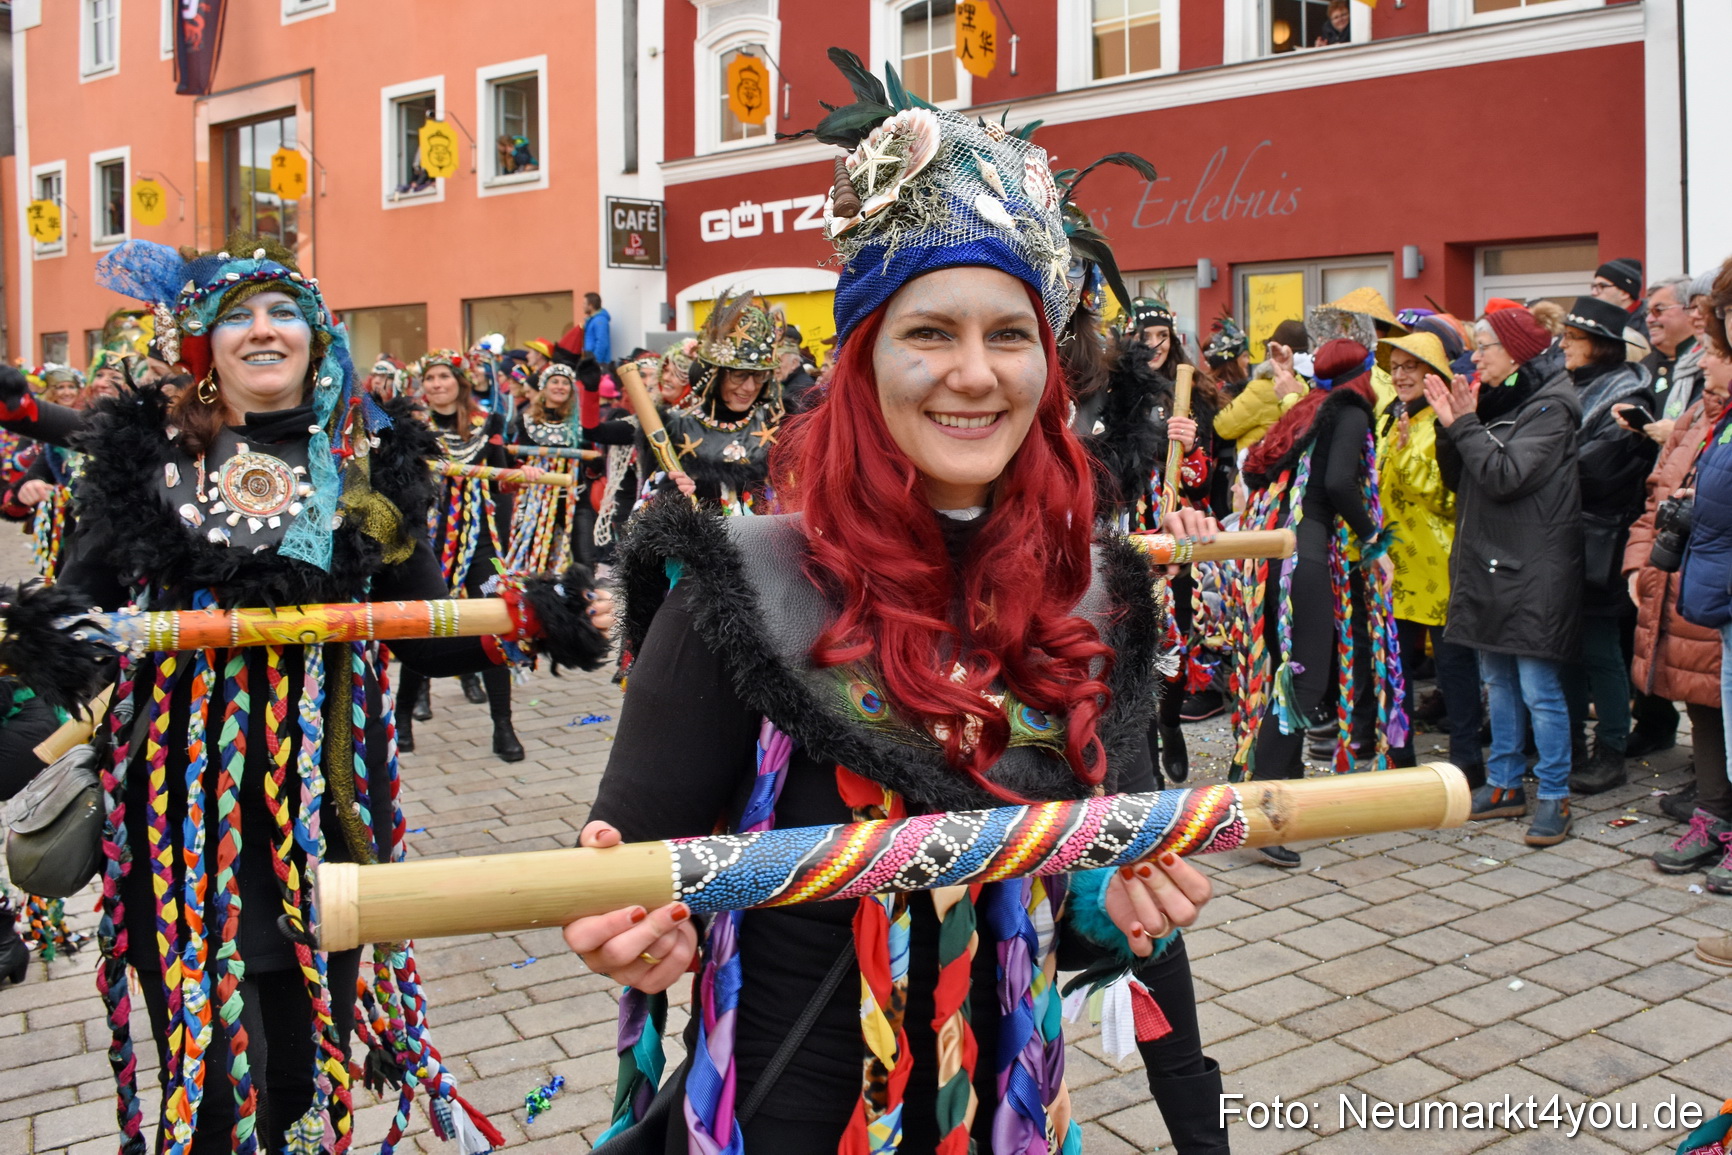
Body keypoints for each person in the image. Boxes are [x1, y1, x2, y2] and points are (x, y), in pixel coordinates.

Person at [566, 83, 1227, 1155]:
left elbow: (1098, 881)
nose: (974, 373)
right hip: (779, 1121)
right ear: (863, 359)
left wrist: (1115, 907)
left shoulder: (1095, 595)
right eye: (930, 331)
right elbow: (625, 871)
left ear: (1047, 365)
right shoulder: (740, 587)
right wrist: (622, 919)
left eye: (1008, 334)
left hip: (1011, 1118)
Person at [0, 234, 610, 1153]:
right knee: (207, 1089)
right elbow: (82, 615)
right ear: (205, 345)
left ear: (316, 339)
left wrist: (537, 616)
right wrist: (37, 646)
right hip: (181, 829)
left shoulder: (365, 472)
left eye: (283, 312)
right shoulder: (146, 465)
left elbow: (427, 627)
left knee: (301, 1083)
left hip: (326, 820)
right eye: (238, 315)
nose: (263, 329)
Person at [1232, 338, 1402, 868]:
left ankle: (1274, 786)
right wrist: (1375, 542)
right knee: (1303, 682)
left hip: (1275, 548)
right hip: (1302, 554)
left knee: (1287, 674)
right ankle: (1263, 811)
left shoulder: (1311, 408)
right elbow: (1339, 483)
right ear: (1364, 375)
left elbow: (1257, 471)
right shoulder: (1349, 410)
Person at [1428, 306, 1582, 846]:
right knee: (1498, 682)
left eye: (1485, 347)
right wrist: (1449, 427)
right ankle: (1504, 784)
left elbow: (1504, 475)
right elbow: (1461, 478)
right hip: (1491, 563)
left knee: (1539, 688)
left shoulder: (1551, 407)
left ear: (1515, 351)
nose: (1476, 358)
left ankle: (1556, 795)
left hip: (1534, 568)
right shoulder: (1497, 400)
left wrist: (1464, 425)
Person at [396, 348, 536, 762]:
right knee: (422, 626)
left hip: (480, 540)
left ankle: (503, 726)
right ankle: (403, 717)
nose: (437, 384)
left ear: (460, 382)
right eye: (430, 378)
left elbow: (499, 479)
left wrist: (518, 477)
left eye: (444, 376)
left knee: (495, 621)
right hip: (428, 540)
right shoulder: (411, 427)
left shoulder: (487, 424)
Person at [1548, 297, 1656, 792]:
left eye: (1574, 338)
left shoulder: (1629, 396)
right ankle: (1570, 743)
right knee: (1565, 648)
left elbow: (1596, 470)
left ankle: (1611, 749)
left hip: (1601, 539)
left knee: (1598, 649)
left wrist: (1541, 463)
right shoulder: (1567, 383)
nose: (1564, 345)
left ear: (1602, 345)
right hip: (1560, 532)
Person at [1635, 342, 1731, 885]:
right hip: (1689, 583)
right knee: (1703, 704)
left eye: (1715, 350)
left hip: (1718, 582)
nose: (1704, 362)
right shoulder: (1699, 417)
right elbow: (1658, 497)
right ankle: (1714, 818)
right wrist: (1639, 563)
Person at [1375, 330, 1483, 784]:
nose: (1401, 376)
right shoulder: (1393, 416)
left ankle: (1467, 761)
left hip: (1440, 562)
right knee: (1394, 664)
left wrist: (1403, 458)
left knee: (1454, 667)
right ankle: (1399, 756)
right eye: (1395, 368)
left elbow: (1446, 496)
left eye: (1411, 367)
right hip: (1394, 563)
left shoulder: (1444, 419)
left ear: (1432, 373)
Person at [636, 292, 786, 514]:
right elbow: (643, 517)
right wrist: (670, 501)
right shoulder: (673, 429)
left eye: (759, 376)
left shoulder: (778, 424)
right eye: (739, 375)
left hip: (767, 536)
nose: (749, 387)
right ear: (714, 375)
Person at [507, 359, 587, 573]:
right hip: (537, 499)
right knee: (532, 558)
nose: (560, 386)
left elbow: (593, 461)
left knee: (583, 558)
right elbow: (514, 458)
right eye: (555, 381)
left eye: (565, 383)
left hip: (574, 498)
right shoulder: (525, 420)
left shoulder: (580, 423)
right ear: (543, 387)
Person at [1643, 275, 1704, 434]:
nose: (1649, 319)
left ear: (1689, 309)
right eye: (1648, 312)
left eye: (1658, 310)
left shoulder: (1708, 363)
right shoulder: (1644, 366)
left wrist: (1677, 433)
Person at [1591, 257, 1651, 351]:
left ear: (1624, 293)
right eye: (1593, 286)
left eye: (1602, 286)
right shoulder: (1593, 322)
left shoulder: (1650, 324)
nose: (1594, 292)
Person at [581, 290, 612, 366]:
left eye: (584, 303)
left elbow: (602, 343)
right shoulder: (592, 320)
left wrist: (595, 363)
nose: (582, 306)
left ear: (591, 305)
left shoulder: (600, 320)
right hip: (591, 360)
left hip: (598, 363)